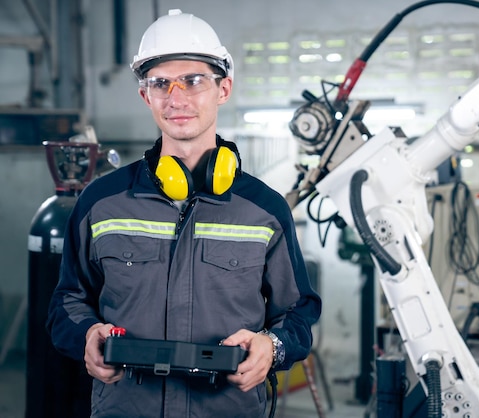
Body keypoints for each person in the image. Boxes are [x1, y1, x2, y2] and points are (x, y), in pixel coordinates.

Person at [46, 9, 322, 418]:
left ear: (223, 89)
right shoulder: (101, 203)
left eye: (193, 81)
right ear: (146, 96)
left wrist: (273, 346)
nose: (176, 98)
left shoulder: (265, 211)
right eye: (161, 84)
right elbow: (67, 302)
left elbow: (298, 313)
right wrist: (86, 334)